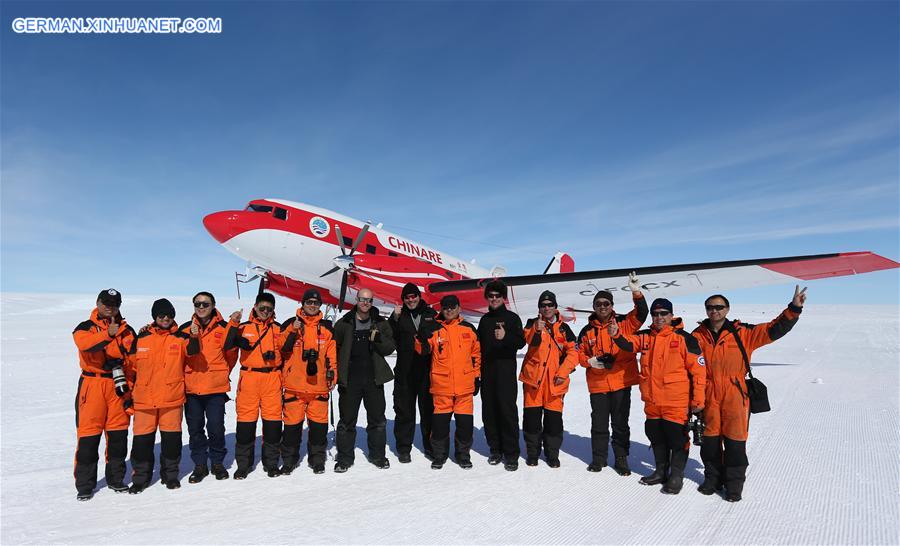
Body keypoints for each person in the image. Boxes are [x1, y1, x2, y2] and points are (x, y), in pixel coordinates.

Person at [691, 286, 806, 502]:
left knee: (735, 442)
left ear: (727, 309)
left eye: (719, 307)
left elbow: (774, 329)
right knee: (710, 442)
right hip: (708, 394)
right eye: (710, 307)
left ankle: (734, 485)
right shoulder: (697, 336)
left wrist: (794, 309)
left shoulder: (743, 332)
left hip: (735, 393)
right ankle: (713, 479)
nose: (714, 311)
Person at [610, 298, 706, 494]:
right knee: (656, 436)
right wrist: (616, 334)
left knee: (677, 439)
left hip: (676, 401)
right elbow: (629, 344)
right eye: (656, 314)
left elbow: (699, 371)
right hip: (652, 401)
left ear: (671, 315)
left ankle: (676, 475)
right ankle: (661, 471)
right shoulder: (645, 337)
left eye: (663, 313)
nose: (659, 317)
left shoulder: (684, 338)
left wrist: (698, 400)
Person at [576, 272, 648, 475]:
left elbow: (641, 313)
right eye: (598, 303)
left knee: (620, 423)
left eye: (606, 303)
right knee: (598, 424)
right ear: (594, 307)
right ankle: (599, 459)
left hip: (621, 382)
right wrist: (589, 362)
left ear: (612, 306)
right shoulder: (586, 331)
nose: (602, 307)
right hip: (598, 384)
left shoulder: (625, 323)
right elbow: (579, 354)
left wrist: (636, 292)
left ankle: (621, 459)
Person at [127, 298, 199, 493]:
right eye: (161, 315)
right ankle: (141, 478)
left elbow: (193, 353)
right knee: (142, 442)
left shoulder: (180, 339)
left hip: (171, 399)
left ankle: (171, 476)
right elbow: (130, 369)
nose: (165, 318)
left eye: (169, 315)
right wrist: (127, 395)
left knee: (171, 442)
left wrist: (194, 337)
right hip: (144, 400)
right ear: (154, 317)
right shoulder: (141, 339)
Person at [71, 289, 137, 501]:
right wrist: (108, 334)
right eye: (106, 302)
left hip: (118, 385)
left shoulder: (128, 331)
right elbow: (85, 345)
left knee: (118, 435)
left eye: (114, 303)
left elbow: (134, 362)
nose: (110, 306)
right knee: (89, 436)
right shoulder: (85, 327)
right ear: (98, 302)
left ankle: (116, 479)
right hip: (93, 384)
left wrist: (130, 386)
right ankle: (84, 485)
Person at [333, 288, 396, 472]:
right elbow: (334, 348)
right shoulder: (344, 323)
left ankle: (378, 456)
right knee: (346, 421)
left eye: (369, 300)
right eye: (362, 299)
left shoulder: (380, 323)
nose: (365, 303)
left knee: (377, 420)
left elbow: (389, 348)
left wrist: (378, 339)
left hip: (373, 378)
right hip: (350, 379)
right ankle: (344, 459)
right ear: (357, 300)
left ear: (372, 302)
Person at [416, 295, 481, 470]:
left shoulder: (469, 329)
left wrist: (476, 377)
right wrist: (421, 335)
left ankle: (463, 455)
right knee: (439, 427)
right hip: (442, 387)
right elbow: (422, 350)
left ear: (459, 308)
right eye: (445, 307)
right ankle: (439, 455)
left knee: (465, 426)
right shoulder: (435, 329)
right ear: (441, 310)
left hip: (465, 387)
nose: (449, 310)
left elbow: (476, 355)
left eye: (453, 307)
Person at [224, 292, 285, 479]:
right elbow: (226, 346)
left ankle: (271, 463)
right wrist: (233, 324)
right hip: (249, 378)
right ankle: (243, 465)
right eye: (262, 308)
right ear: (255, 307)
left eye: (269, 309)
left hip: (272, 379)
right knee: (246, 424)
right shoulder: (243, 327)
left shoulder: (278, 329)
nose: (265, 311)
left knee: (273, 423)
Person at [279, 289, 337, 475]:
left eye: (316, 303)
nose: (312, 305)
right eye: (309, 302)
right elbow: (282, 349)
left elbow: (332, 357)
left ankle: (317, 460)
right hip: (294, 387)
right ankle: (289, 461)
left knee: (319, 429)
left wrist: (332, 376)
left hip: (318, 387)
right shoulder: (290, 324)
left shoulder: (327, 328)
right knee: (291, 429)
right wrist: (292, 330)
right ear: (302, 304)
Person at [520, 290, 579, 468]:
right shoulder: (532, 324)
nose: (546, 308)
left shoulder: (564, 329)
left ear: (555, 307)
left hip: (555, 382)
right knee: (532, 421)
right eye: (543, 305)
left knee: (553, 422)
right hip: (534, 382)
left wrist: (562, 373)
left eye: (550, 305)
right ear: (539, 308)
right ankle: (532, 453)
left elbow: (574, 352)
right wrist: (537, 331)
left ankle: (552, 454)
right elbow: (529, 341)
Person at [476, 279, 525, 471]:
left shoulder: (512, 318)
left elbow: (521, 342)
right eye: (491, 296)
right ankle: (495, 449)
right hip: (487, 372)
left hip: (505, 373)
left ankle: (511, 453)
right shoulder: (484, 320)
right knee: (489, 412)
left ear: (503, 297)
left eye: (497, 296)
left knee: (507, 412)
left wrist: (506, 338)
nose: (494, 299)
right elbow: (477, 346)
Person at [389, 282, 438, 463]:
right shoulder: (399, 316)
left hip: (427, 371)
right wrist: (393, 319)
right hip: (405, 371)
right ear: (403, 300)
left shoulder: (431, 315)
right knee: (404, 411)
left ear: (419, 296)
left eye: (413, 296)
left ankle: (431, 446)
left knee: (428, 411)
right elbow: (390, 337)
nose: (411, 300)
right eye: (407, 298)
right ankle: (403, 448)